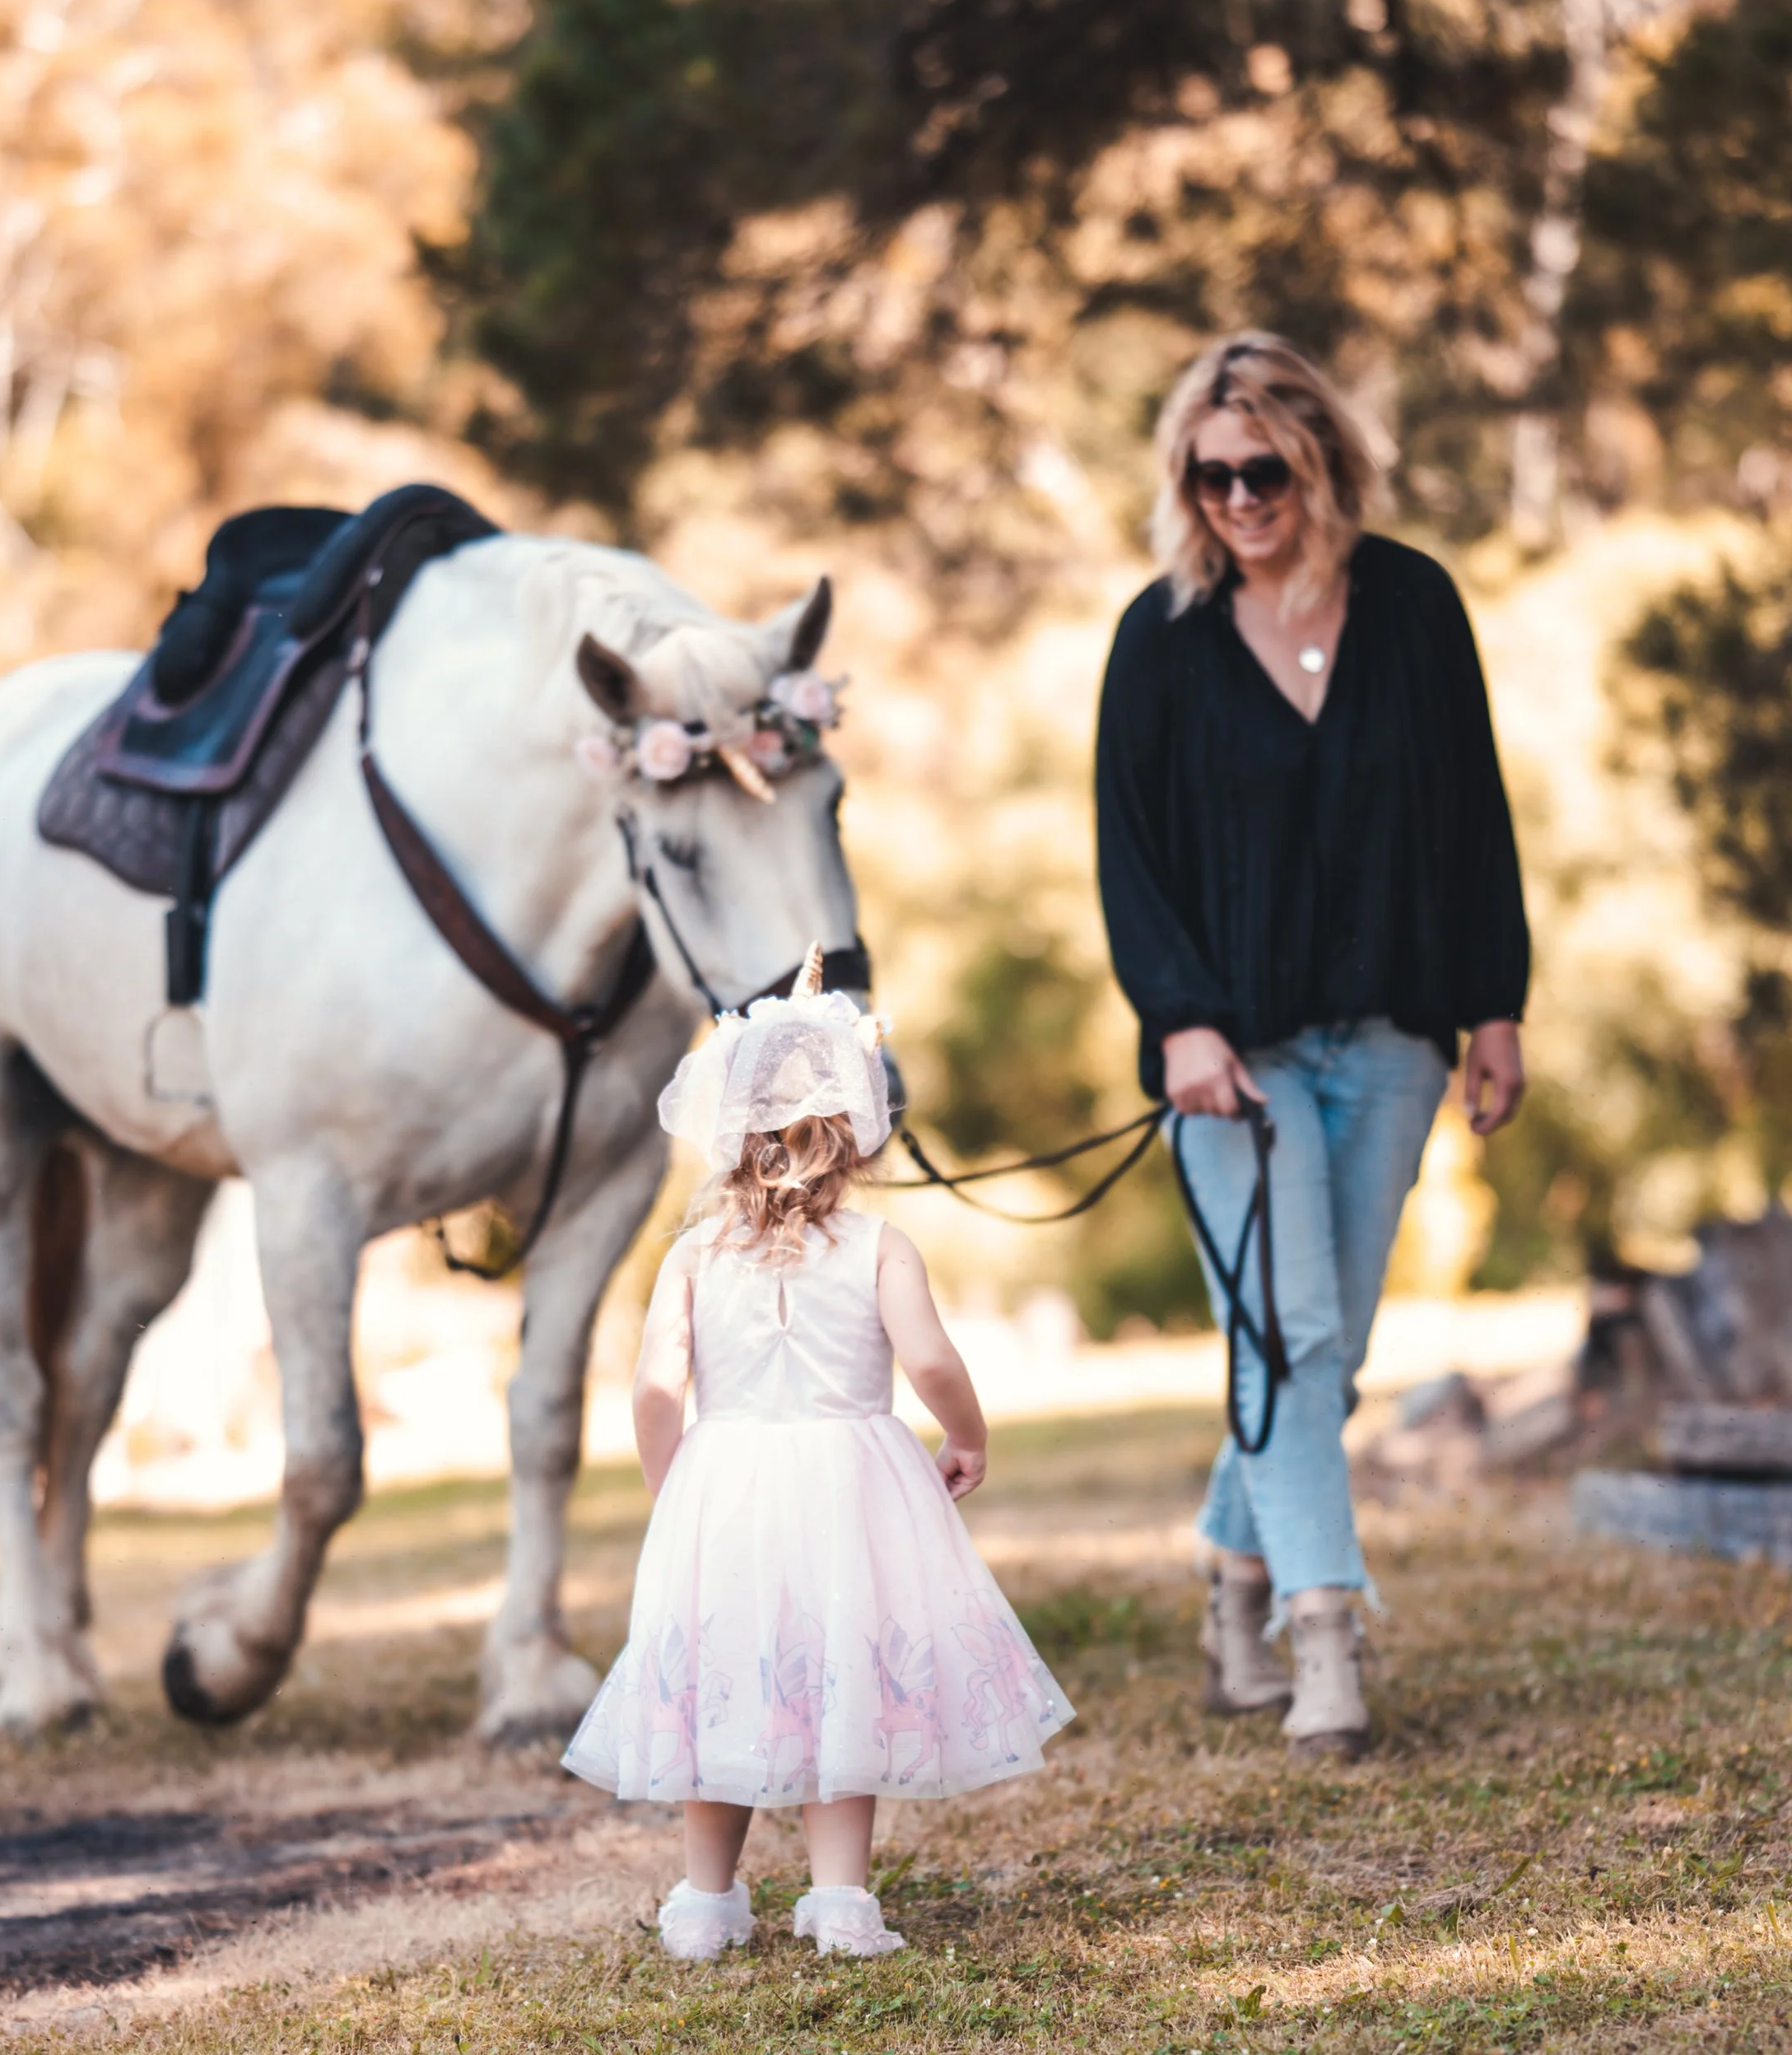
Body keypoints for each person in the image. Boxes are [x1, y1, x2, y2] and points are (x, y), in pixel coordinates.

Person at [1095, 332, 1529, 1759]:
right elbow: (1131, 858)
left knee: (1323, 1359)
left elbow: (1472, 817)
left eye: (1262, 470)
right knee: (1288, 1341)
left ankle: (1230, 1573)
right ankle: (1322, 1635)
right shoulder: (1158, 638)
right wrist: (1180, 1023)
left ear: (1321, 459)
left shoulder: (1413, 606)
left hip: (1396, 1036)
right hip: (1235, 1058)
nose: (1236, 499)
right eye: (1209, 475)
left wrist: (1497, 1005)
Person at [562, 949, 1073, 1958]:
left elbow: (655, 1384)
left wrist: (675, 1483)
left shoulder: (694, 1253)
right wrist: (964, 1435)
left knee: (722, 1681)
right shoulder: (881, 1244)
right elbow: (927, 1357)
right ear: (857, 1131)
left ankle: (704, 1903)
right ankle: (840, 1900)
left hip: (729, 1486)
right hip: (851, 1491)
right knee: (843, 1676)